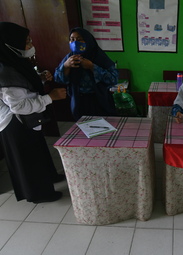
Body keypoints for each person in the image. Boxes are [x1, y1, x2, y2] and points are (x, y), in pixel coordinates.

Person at [0, 22, 67, 203]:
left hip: (27, 119)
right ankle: (39, 194)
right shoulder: (5, 71)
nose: (30, 46)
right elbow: (19, 106)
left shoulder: (13, 60)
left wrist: (39, 78)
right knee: (28, 160)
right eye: (27, 42)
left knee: (38, 151)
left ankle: (50, 177)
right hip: (14, 122)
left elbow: (24, 84)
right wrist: (50, 97)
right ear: (10, 44)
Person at [54, 27, 118, 120]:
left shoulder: (99, 57)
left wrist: (92, 67)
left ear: (88, 41)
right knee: (83, 130)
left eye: (79, 39)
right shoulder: (70, 57)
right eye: (72, 40)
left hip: (100, 100)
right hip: (78, 101)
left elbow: (113, 79)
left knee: (104, 128)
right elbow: (58, 78)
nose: (75, 43)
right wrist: (66, 66)